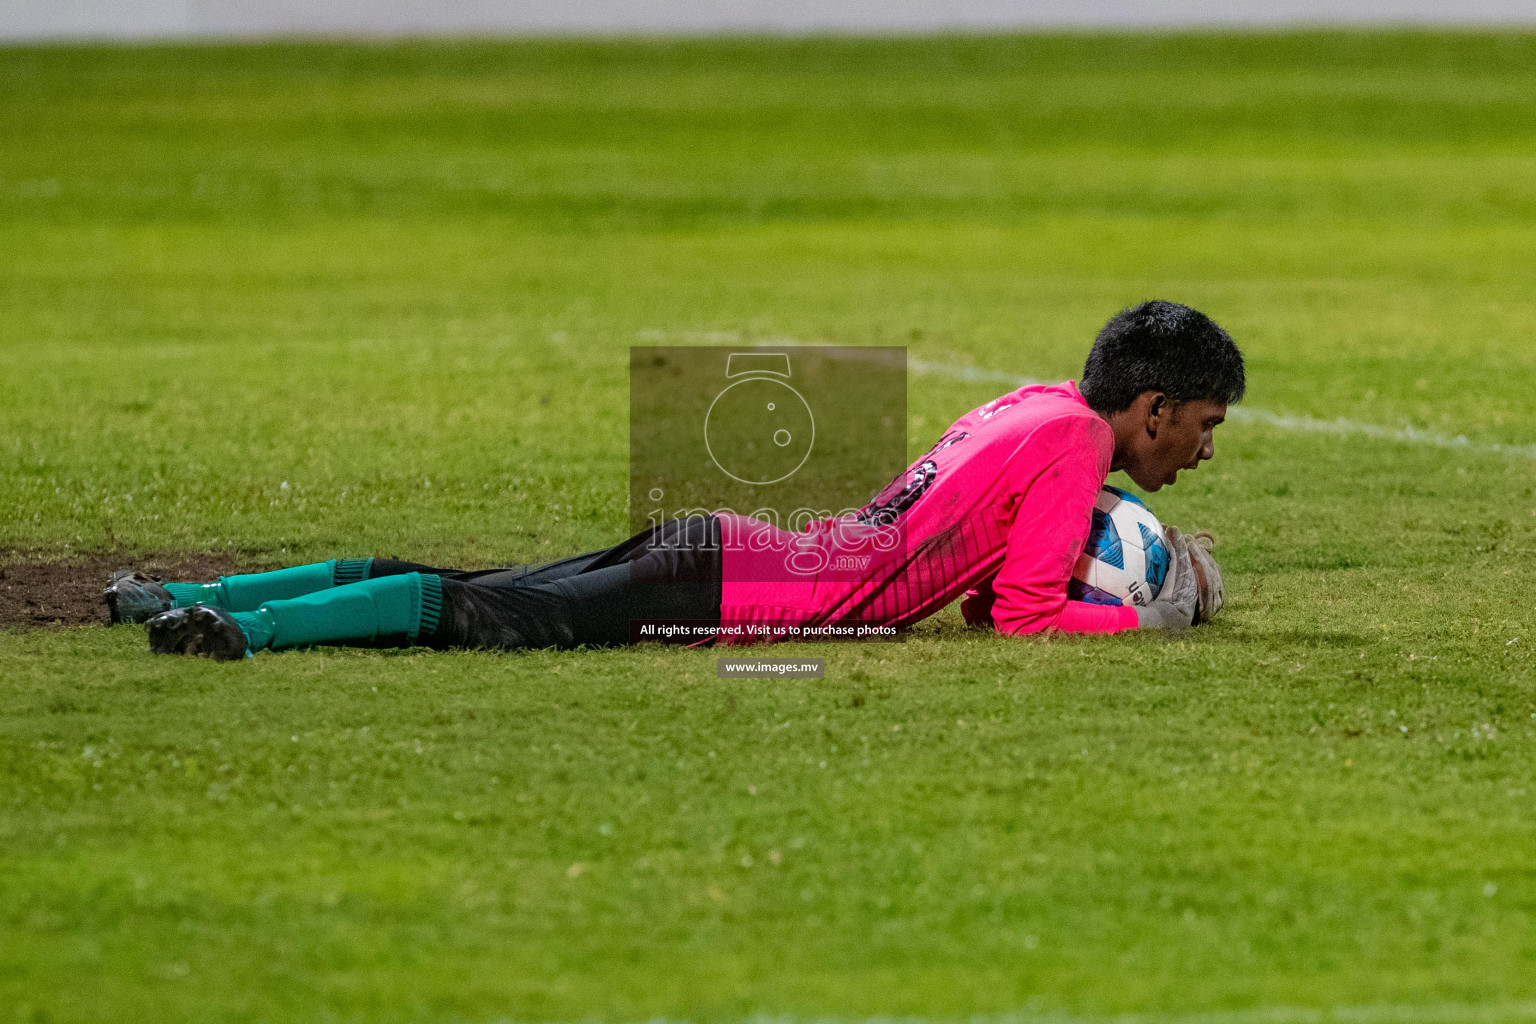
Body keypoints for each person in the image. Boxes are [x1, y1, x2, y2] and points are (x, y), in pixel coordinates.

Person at [109, 300, 1242, 661]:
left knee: (481, 582)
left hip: (730, 545)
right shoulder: (1074, 448)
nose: (1200, 448)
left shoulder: (1035, 405)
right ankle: (239, 632)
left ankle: (201, 593)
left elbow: (997, 593)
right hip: (738, 589)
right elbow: (1031, 617)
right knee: (483, 614)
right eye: (1200, 424)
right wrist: (1154, 619)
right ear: (1149, 410)